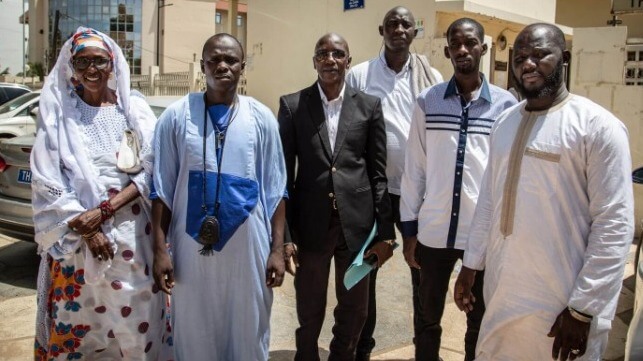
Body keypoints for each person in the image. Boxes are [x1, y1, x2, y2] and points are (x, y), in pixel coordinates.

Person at [454, 23, 634, 361]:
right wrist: (470, 265)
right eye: (520, 57)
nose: (528, 64)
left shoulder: (598, 127)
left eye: (540, 55)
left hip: (561, 308)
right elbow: (489, 201)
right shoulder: (504, 122)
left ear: (564, 58)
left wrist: (583, 308)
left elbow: (614, 225)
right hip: (503, 296)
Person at [31, 27, 172, 360]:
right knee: (80, 327)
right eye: (82, 61)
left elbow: (155, 169)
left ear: (113, 64)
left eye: (99, 61)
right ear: (70, 65)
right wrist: (89, 227)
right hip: (77, 243)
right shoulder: (58, 114)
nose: (91, 69)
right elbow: (46, 179)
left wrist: (104, 211)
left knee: (137, 327)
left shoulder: (132, 110)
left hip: (133, 245)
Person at [150, 33, 287, 360]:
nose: (223, 66)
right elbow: (162, 189)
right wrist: (159, 250)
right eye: (215, 60)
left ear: (243, 67)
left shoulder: (261, 118)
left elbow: (276, 188)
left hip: (247, 252)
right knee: (195, 331)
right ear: (202, 66)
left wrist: (278, 249)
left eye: (231, 60)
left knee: (248, 331)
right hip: (189, 249)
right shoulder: (176, 117)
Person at [399, 18, 517, 361]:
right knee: (427, 317)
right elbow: (414, 169)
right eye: (456, 44)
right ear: (447, 50)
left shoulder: (506, 107)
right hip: (433, 233)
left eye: (470, 43)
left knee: (478, 318)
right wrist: (410, 230)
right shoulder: (427, 102)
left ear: (483, 47)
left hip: (479, 236)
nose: (463, 50)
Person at [278, 33, 396, 361]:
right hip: (311, 228)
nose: (330, 59)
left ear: (349, 60)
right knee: (309, 311)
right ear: (314, 61)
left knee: (355, 310)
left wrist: (385, 233)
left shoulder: (369, 106)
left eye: (337, 53)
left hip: (357, 230)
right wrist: (285, 236)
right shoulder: (292, 106)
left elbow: (377, 174)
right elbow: (283, 178)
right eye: (322, 53)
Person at [345, 7, 443, 359]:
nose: (399, 29)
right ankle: (361, 349)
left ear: (415, 31)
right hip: (373, 191)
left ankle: (426, 350)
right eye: (392, 24)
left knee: (423, 273)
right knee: (365, 270)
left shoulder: (432, 77)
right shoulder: (359, 75)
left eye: (406, 24)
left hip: (418, 191)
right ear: (381, 30)